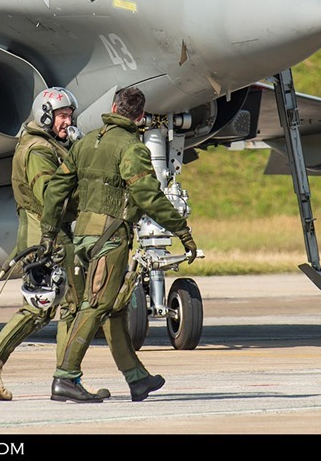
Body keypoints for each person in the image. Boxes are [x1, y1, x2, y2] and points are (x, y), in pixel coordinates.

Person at [39, 86, 198, 403]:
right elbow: (148, 196)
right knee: (97, 306)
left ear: (112, 107)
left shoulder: (86, 142)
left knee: (114, 308)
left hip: (83, 236)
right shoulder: (132, 148)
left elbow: (56, 188)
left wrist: (47, 231)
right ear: (140, 116)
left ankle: (137, 379)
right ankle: (65, 377)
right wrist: (182, 229)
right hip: (109, 239)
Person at [0, 86, 90, 402]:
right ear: (47, 116)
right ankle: (68, 379)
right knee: (73, 306)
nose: (68, 121)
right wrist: (88, 195)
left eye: (70, 115)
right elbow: (51, 198)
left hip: (42, 235)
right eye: (63, 116)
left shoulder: (50, 145)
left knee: (40, 309)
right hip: (49, 237)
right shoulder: (38, 151)